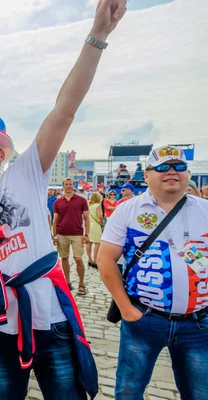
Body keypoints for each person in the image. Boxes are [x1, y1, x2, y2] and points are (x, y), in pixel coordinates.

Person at [0, 2, 126, 397]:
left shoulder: (27, 174)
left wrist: (98, 36)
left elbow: (65, 109)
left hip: (50, 320)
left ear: (2, 152)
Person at [98, 145, 208, 399]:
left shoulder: (204, 209)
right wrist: (126, 308)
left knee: (199, 392)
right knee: (129, 390)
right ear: (147, 176)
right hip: (144, 318)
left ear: (188, 174)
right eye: (162, 167)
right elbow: (105, 260)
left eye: (179, 167)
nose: (171, 172)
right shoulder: (128, 210)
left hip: (198, 324)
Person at [53, 177, 90, 295]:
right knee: (64, 258)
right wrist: (54, 235)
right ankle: (67, 282)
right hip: (61, 233)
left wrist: (86, 234)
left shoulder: (81, 200)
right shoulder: (58, 202)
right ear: (63, 186)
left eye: (70, 184)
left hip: (77, 234)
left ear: (74, 186)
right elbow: (55, 220)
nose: (68, 186)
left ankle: (81, 283)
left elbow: (87, 218)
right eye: (66, 184)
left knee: (78, 258)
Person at [86, 192, 104, 269]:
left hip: (89, 225)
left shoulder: (89, 206)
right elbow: (100, 216)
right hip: (96, 225)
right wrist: (102, 223)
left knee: (89, 243)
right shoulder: (97, 205)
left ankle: (89, 259)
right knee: (97, 243)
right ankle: (95, 260)